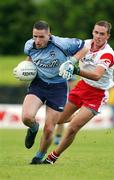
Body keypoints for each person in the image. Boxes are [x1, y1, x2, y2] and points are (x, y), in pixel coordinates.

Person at [13, 20, 88, 164]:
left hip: (58, 88)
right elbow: (29, 58)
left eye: (41, 37)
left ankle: (38, 157)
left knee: (49, 129)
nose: (37, 40)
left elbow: (85, 47)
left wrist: (72, 61)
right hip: (38, 84)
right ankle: (33, 128)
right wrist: (23, 69)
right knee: (27, 118)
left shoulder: (63, 43)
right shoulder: (29, 45)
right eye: (35, 36)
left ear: (49, 35)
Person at [43, 20, 114, 165]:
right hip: (82, 86)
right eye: (96, 32)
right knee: (58, 120)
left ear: (108, 36)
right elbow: (65, 45)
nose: (98, 36)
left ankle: (53, 157)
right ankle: (76, 117)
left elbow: (97, 75)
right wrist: (50, 38)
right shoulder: (86, 44)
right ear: (92, 32)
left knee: (72, 128)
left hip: (97, 94)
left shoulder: (107, 54)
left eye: (102, 34)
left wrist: (75, 69)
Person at [54, 76, 77, 145]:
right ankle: (53, 137)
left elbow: (72, 86)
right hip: (54, 97)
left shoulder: (68, 69)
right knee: (55, 118)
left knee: (61, 118)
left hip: (64, 99)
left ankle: (58, 138)